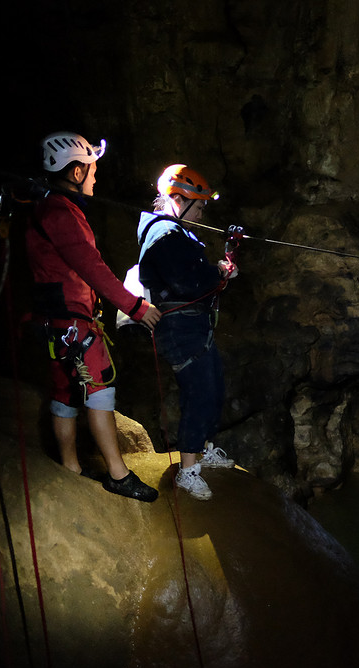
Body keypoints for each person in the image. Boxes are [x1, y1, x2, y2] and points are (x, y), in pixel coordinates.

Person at [25, 131, 162, 502]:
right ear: (75, 173)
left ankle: (69, 466)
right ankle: (117, 475)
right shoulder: (60, 212)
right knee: (99, 390)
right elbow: (92, 268)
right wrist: (136, 307)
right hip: (72, 323)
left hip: (54, 322)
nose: (96, 177)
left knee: (65, 393)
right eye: (92, 170)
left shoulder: (48, 209)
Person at [136, 163, 239, 501]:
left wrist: (219, 273)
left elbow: (195, 277)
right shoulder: (162, 234)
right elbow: (186, 281)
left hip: (195, 323)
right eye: (199, 205)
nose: (201, 212)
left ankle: (205, 448)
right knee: (199, 392)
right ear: (178, 199)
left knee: (215, 385)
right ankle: (188, 470)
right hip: (178, 327)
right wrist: (218, 275)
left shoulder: (176, 233)